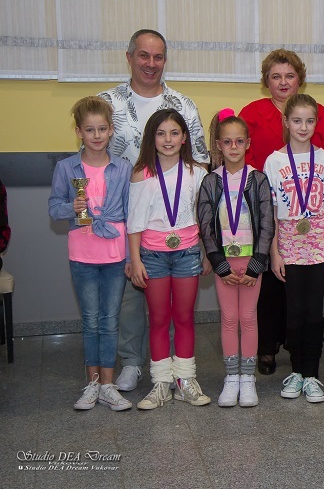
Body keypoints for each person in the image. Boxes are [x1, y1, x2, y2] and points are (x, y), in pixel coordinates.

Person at [99, 29, 210, 393]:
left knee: (177, 309)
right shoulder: (108, 103)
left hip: (178, 224)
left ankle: (180, 372)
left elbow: (201, 161)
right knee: (132, 296)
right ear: (129, 57)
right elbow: (91, 155)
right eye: (143, 55)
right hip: (123, 218)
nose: (150, 63)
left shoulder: (183, 104)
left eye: (158, 56)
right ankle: (133, 362)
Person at [240, 48, 324, 377]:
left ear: (300, 79)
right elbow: (242, 158)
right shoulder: (252, 112)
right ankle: (268, 347)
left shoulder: (318, 113)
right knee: (270, 285)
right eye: (276, 76)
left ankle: (303, 357)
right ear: (266, 81)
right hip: (269, 211)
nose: (283, 82)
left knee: (305, 300)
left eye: (289, 75)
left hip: (312, 224)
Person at [48, 96, 133, 411]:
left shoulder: (122, 168)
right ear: (78, 132)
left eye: (101, 129)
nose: (96, 135)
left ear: (110, 130)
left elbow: (130, 215)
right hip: (82, 255)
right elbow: (54, 208)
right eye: (89, 129)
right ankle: (92, 383)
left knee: (110, 320)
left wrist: (130, 258)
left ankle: (108, 385)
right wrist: (71, 207)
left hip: (114, 254)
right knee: (91, 321)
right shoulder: (66, 167)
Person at [127, 109, 211, 410]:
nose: (168, 139)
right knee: (159, 318)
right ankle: (161, 382)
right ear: (152, 137)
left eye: (174, 133)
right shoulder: (142, 173)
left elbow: (204, 220)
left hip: (188, 253)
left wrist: (206, 254)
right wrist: (135, 260)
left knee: (184, 317)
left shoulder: (198, 173)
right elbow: (134, 223)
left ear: (184, 137)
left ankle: (185, 380)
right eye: (161, 133)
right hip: (152, 256)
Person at [263, 94, 324, 404]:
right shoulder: (274, 161)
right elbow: (269, 212)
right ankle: (296, 371)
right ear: (286, 122)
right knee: (293, 312)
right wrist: (274, 252)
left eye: (309, 121)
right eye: (296, 121)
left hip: (319, 246)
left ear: (316, 123)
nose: (303, 127)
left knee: (314, 312)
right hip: (288, 246)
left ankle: (312, 374)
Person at [197, 109, 274, 408]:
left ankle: (248, 378)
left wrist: (257, 265)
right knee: (229, 318)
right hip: (225, 266)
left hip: (251, 263)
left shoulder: (258, 179)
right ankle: (232, 377)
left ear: (248, 143)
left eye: (239, 141)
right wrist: (218, 263)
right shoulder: (210, 182)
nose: (233, 147)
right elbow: (205, 226)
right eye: (227, 142)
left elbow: (267, 224)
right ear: (218, 145)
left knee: (248, 317)